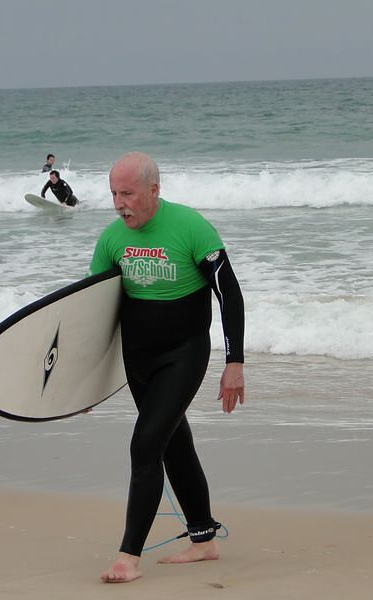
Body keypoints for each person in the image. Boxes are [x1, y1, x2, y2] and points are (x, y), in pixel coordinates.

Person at [88, 152, 245, 583]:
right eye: (114, 194)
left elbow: (229, 294)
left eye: (128, 194)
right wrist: (81, 382)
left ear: (154, 191)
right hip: (137, 358)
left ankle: (128, 556)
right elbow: (92, 312)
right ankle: (203, 539)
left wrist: (234, 362)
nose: (120, 203)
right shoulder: (110, 240)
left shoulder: (191, 227)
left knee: (145, 444)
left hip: (184, 353)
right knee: (173, 443)